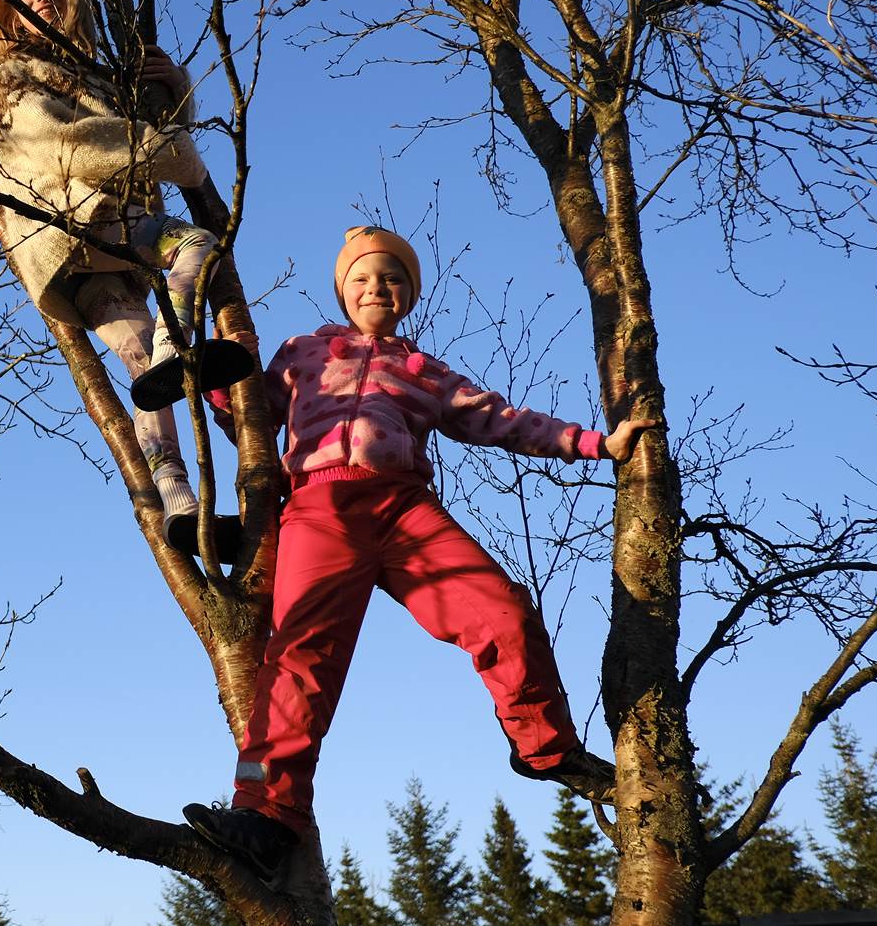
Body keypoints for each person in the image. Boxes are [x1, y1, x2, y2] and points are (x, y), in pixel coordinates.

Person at [182, 225, 663, 880]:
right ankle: (267, 812)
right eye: (362, 278)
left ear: (407, 296)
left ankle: (544, 746)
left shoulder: (423, 372)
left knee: (504, 612)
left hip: (406, 511)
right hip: (321, 510)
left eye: (391, 278)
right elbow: (251, 419)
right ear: (343, 292)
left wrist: (593, 444)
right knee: (298, 659)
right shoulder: (302, 353)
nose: (376, 286)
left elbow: (503, 419)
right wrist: (219, 378)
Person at [0, 0, 253, 557]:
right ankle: (173, 352)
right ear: (9, 13)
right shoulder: (12, 79)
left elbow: (148, 125)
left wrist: (174, 89)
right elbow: (74, 142)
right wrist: (167, 151)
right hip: (83, 229)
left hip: (107, 253)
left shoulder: (96, 74)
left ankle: (179, 503)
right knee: (196, 243)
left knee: (141, 366)